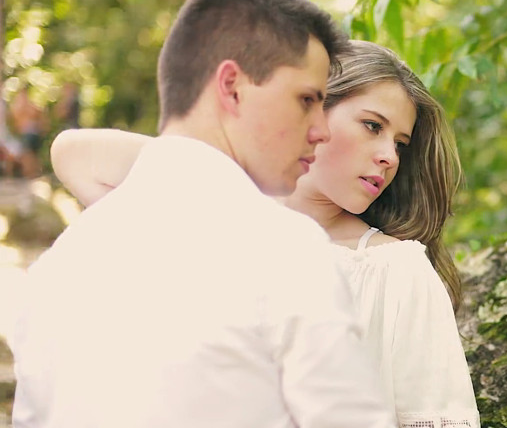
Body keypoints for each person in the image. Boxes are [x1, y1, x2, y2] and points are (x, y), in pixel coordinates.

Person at [10, 0, 396, 428]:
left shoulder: (57, 269)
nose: (321, 129)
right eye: (306, 100)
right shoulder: (282, 249)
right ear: (232, 86)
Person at [50, 41, 481, 426]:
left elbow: (433, 416)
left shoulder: (395, 271)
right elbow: (75, 155)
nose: (389, 156)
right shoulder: (221, 217)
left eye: (400, 143)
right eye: (373, 126)